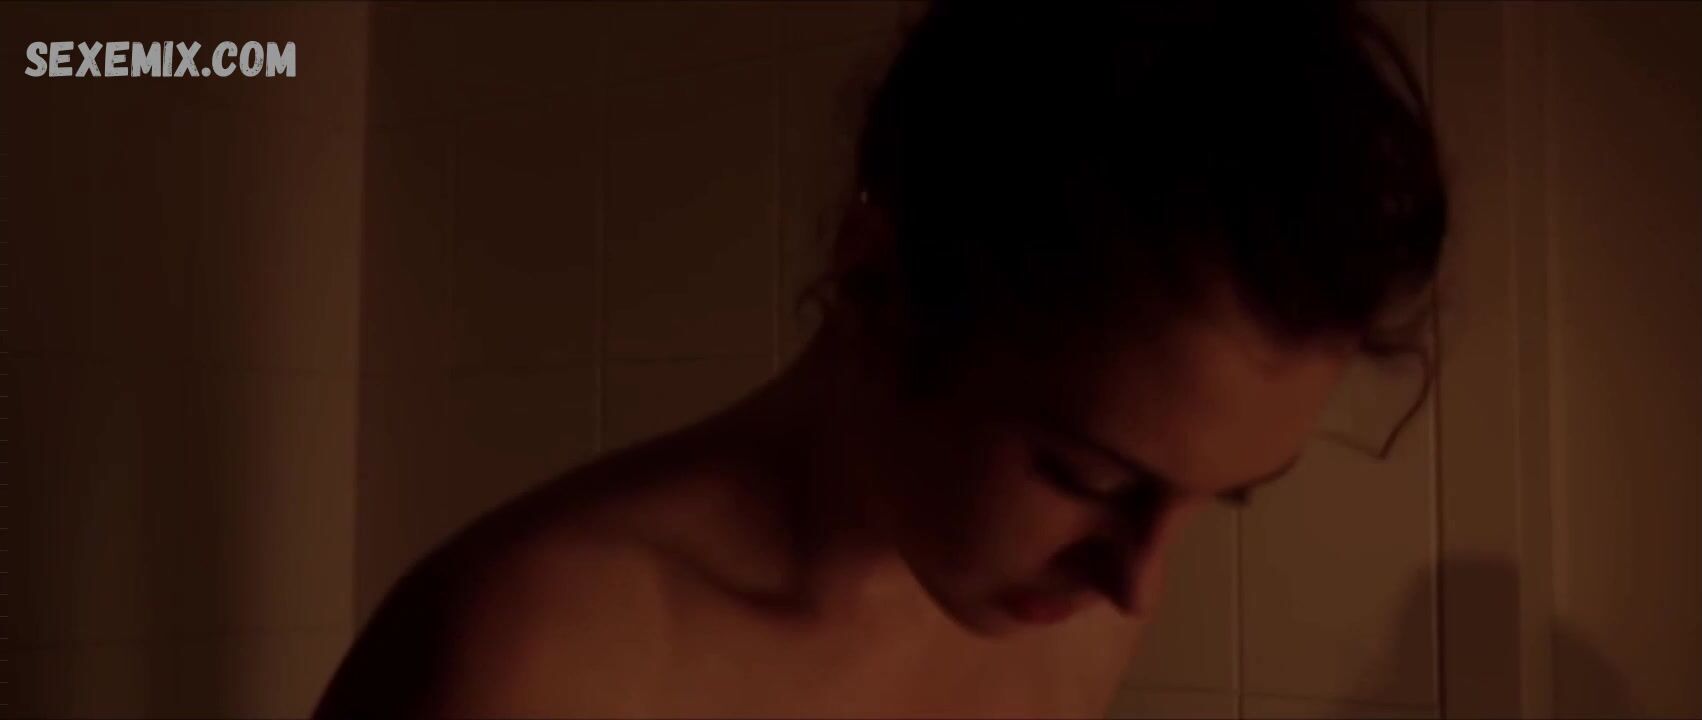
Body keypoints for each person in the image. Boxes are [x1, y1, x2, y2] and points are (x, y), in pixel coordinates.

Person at [313, 1, 1445, 716]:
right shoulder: (534, 662)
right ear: (875, 281)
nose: (1138, 585)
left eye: (1221, 499)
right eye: (1087, 475)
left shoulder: (1067, 620)